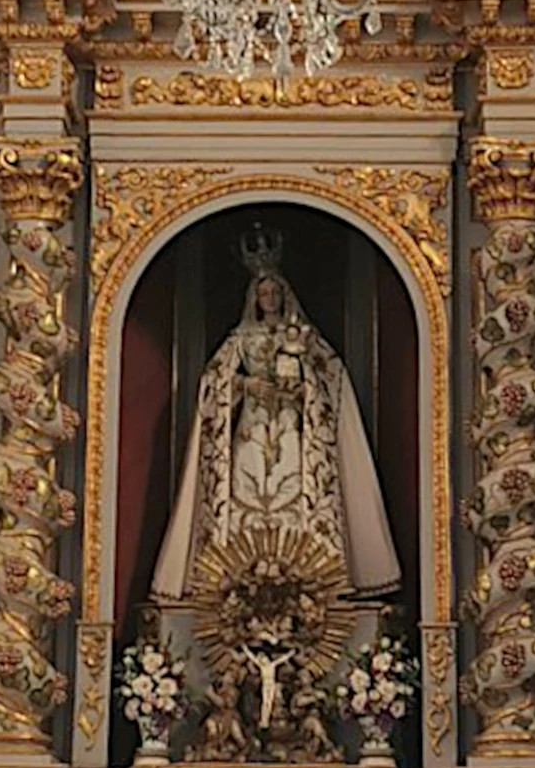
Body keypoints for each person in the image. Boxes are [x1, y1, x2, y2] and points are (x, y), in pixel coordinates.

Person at [150, 226, 400, 600]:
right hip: (251, 427)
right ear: (254, 297)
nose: (269, 299)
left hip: (291, 427)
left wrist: (304, 389)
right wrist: (245, 385)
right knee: (244, 485)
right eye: (263, 293)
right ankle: (238, 576)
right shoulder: (240, 339)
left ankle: (308, 577)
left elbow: (332, 377)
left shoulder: (303, 336)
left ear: (284, 294)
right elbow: (213, 382)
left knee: (297, 487)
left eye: (274, 292)